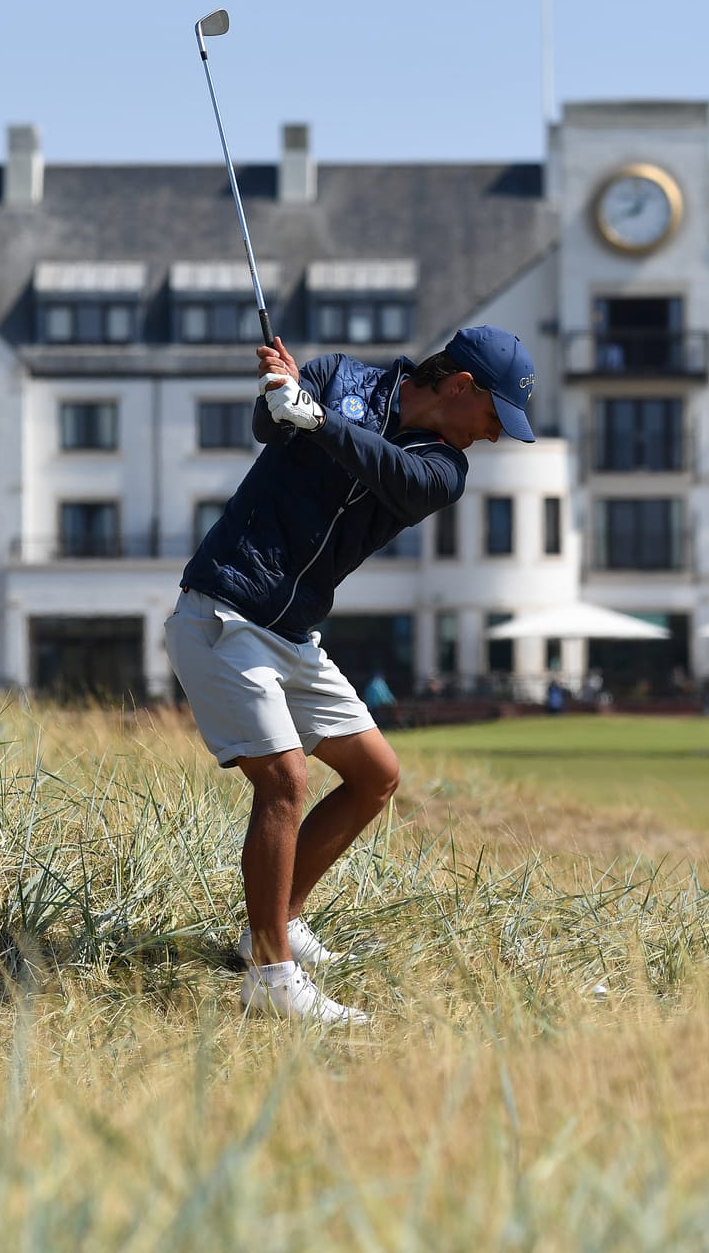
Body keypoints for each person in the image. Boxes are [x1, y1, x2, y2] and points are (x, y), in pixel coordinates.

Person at [165, 326, 537, 1022]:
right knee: (283, 781)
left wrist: (317, 417)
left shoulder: (444, 469)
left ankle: (274, 923)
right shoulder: (339, 376)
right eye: (493, 417)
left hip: (294, 633)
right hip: (224, 613)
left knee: (375, 774)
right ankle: (270, 977)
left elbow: (388, 471)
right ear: (462, 386)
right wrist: (279, 395)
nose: (493, 436)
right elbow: (269, 427)